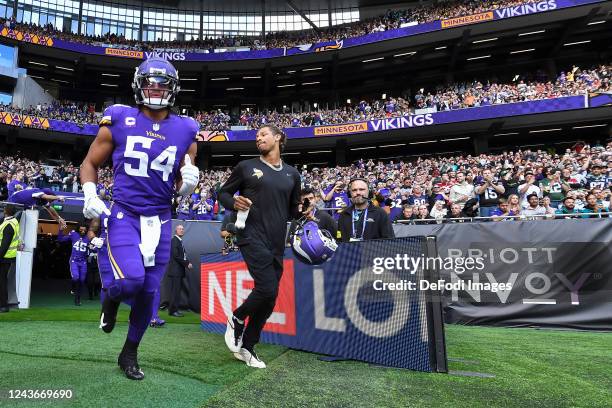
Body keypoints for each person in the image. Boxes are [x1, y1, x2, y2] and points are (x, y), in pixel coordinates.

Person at [79, 57, 199, 380]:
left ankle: (129, 352)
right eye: (150, 82)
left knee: (148, 293)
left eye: (163, 84)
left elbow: (178, 184)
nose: (156, 89)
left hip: (160, 219)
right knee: (129, 280)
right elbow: (89, 163)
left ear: (173, 89)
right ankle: (110, 299)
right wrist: (90, 194)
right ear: (138, 85)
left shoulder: (187, 129)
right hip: (124, 213)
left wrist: (186, 186)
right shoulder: (119, 118)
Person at [218, 124, 301, 369]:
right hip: (251, 235)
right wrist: (234, 203)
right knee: (266, 288)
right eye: (256, 136)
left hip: (276, 241)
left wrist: (305, 211)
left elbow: (293, 211)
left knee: (271, 296)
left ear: (278, 138)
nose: (259, 139)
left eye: (263, 134)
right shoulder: (246, 167)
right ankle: (236, 316)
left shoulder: (292, 174)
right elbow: (222, 193)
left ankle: (248, 347)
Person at [57, 224, 91, 306]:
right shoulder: (73, 234)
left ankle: (77, 299)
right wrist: (61, 230)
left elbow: (95, 248)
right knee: (76, 277)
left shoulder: (89, 237)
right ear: (78, 229)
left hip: (83, 261)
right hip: (74, 260)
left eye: (84, 230)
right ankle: (73, 287)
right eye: (81, 230)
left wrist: (94, 247)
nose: (82, 231)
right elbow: (60, 239)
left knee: (82, 280)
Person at [167, 224, 191, 317]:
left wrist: (187, 262)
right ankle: (173, 311)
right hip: (175, 271)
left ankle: (174, 309)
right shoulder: (174, 240)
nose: (181, 230)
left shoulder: (179, 241)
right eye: (179, 229)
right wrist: (186, 263)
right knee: (175, 291)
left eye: (182, 229)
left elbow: (182, 255)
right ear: (176, 231)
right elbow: (176, 256)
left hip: (178, 271)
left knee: (177, 291)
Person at [0, 204, 19, 313]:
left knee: (2, 282)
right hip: (8, 257)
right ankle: (3, 304)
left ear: (6, 211)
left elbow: (4, 246)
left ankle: (3, 306)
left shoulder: (8, 225)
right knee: (2, 281)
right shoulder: (14, 221)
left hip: (4, 257)